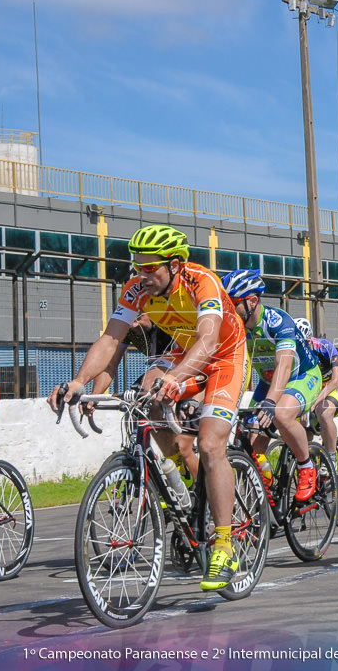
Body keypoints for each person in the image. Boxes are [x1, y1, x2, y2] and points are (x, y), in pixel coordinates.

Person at [48, 225, 247, 591]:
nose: (140, 275)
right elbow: (110, 340)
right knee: (146, 400)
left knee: (209, 444)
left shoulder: (202, 283)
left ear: (174, 264)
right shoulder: (138, 289)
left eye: (148, 268)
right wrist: (77, 383)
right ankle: (177, 481)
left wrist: (177, 379)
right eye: (136, 267)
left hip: (223, 356)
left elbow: (206, 342)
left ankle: (223, 543)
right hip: (184, 352)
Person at [221, 269, 323, 503]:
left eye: (233, 303)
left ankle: (306, 466)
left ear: (252, 301)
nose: (228, 309)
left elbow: (284, 366)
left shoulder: (277, 321)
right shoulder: (235, 328)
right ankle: (268, 489)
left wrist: (269, 402)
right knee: (250, 443)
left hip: (302, 375)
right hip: (268, 382)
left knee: (281, 413)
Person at [295, 317, 338, 459]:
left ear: (309, 338)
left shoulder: (324, 346)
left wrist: (313, 403)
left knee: (323, 412)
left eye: (303, 343)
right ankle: (307, 462)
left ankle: (331, 457)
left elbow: (335, 381)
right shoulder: (296, 354)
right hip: (317, 390)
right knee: (302, 424)